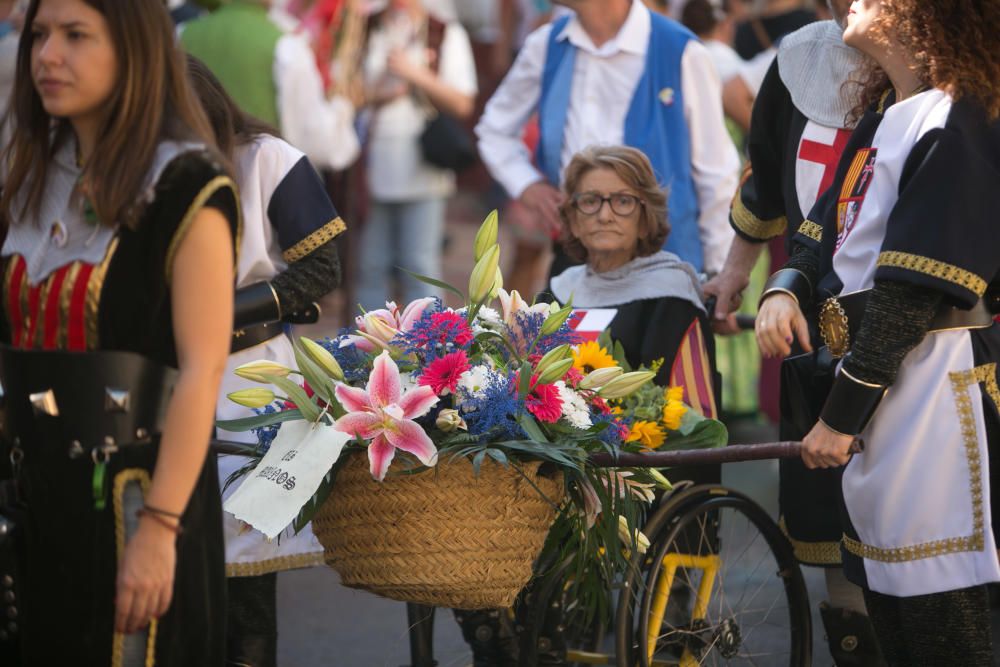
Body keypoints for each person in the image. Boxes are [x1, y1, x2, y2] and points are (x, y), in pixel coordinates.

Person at [756, 0, 1000, 663]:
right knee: (895, 609)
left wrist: (840, 415)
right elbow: (823, 242)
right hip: (886, 392)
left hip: (937, 391)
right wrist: (785, 286)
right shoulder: (882, 118)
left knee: (942, 623)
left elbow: (910, 292)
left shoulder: (962, 113)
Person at [0, 0, 239, 664]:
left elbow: (202, 368)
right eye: (41, 34)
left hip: (137, 496)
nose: (47, 54)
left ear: (132, 48)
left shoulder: (186, 182)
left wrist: (159, 528)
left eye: (76, 36)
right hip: (33, 495)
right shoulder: (28, 164)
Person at [702, 2, 884, 663]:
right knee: (832, 528)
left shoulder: (937, 63)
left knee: (924, 546)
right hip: (815, 326)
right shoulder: (797, 59)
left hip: (909, 329)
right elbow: (770, 183)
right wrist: (736, 275)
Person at [187, 56, 345, 667]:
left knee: (245, 574)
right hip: (159, 376)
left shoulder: (266, 157)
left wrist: (214, 309)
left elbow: (322, 267)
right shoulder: (128, 167)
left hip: (250, 377)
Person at [475, 0, 739, 279]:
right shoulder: (547, 44)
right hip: (577, 259)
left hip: (664, 266)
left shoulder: (682, 51)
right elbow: (495, 128)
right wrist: (527, 185)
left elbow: (715, 173)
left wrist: (717, 272)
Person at [550, 146, 717, 415]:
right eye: (590, 201)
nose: (604, 216)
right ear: (574, 219)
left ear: (645, 219)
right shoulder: (556, 292)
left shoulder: (671, 298)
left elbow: (693, 421)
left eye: (623, 201)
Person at [354, 0, 477, 311]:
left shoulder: (444, 31)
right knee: (370, 264)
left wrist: (416, 74)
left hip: (422, 164)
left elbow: (463, 103)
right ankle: (364, 351)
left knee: (420, 264)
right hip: (371, 162)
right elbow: (346, 92)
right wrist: (379, 92)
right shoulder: (367, 27)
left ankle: (429, 351)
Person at [180, 0, 360, 173]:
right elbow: (316, 143)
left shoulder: (182, 34)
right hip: (262, 188)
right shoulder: (286, 46)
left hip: (196, 183)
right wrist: (343, 107)